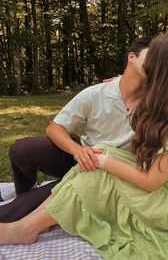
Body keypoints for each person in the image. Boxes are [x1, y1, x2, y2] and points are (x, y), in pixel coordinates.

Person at [1, 32, 168, 260]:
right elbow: (55, 127)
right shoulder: (160, 100)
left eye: (153, 58)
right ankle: (28, 225)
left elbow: (151, 182)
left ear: (161, 69)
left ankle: (24, 227)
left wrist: (102, 161)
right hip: (130, 170)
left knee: (97, 167)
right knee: (90, 157)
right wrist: (120, 84)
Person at [0, 37, 151, 223]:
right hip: (82, 154)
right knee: (21, 149)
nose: (157, 64)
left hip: (110, 172)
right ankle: (25, 193)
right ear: (131, 57)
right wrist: (78, 151)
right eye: (152, 57)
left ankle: (26, 206)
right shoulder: (98, 92)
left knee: (31, 204)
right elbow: (55, 127)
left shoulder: (158, 101)